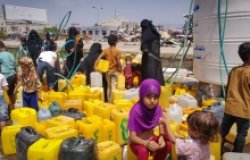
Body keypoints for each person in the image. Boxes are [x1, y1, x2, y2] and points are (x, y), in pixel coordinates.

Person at [128, 78, 172, 160]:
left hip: (151, 139)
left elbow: (161, 124)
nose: (152, 100)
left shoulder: (157, 108)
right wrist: (146, 143)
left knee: (167, 144)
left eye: (156, 97)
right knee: (142, 151)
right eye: (148, 96)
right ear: (142, 95)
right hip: (137, 142)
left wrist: (161, 138)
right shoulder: (135, 111)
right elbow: (132, 137)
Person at [221, 42, 250, 153]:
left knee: (223, 131)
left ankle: (217, 149)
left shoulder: (234, 70)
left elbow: (228, 88)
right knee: (241, 134)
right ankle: (236, 154)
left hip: (230, 107)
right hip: (244, 110)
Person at [94, 34, 122, 102]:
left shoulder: (106, 50)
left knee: (108, 87)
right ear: (116, 42)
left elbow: (99, 58)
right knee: (114, 87)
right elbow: (118, 62)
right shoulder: (117, 51)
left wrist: (95, 66)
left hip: (107, 71)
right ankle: (113, 102)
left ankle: (109, 101)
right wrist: (120, 70)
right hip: (115, 71)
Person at [140, 19, 165, 85]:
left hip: (148, 60)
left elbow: (144, 48)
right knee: (157, 75)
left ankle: (149, 91)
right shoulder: (155, 33)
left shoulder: (146, 34)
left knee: (149, 76)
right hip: (156, 58)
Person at [0, 41, 17, 114]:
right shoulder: (11, 54)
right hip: (13, 75)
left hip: (5, 76)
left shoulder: (0, 55)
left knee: (4, 95)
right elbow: (15, 66)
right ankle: (12, 110)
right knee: (11, 93)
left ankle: (7, 112)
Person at [0, 65, 9, 132]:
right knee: (2, 117)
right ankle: (3, 135)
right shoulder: (1, 76)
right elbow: (6, 88)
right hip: (0, 97)